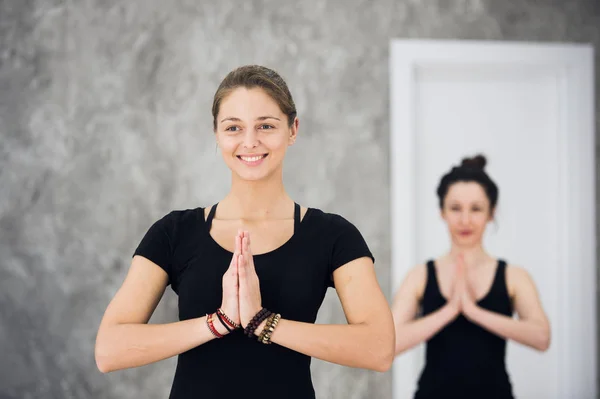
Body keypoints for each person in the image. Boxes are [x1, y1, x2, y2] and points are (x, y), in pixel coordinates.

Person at [94, 65, 395, 399]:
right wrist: (218, 322)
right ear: (217, 135)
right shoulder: (173, 232)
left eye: (266, 126)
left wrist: (264, 323)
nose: (250, 142)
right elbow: (110, 350)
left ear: (293, 130)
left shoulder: (334, 236)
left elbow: (378, 349)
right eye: (233, 127)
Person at [391, 154, 551, 398]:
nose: (465, 220)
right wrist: (450, 310)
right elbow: (388, 343)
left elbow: (541, 337)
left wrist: (475, 312)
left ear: (491, 213)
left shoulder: (514, 277)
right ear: (442, 212)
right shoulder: (420, 276)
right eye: (455, 208)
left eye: (476, 209)